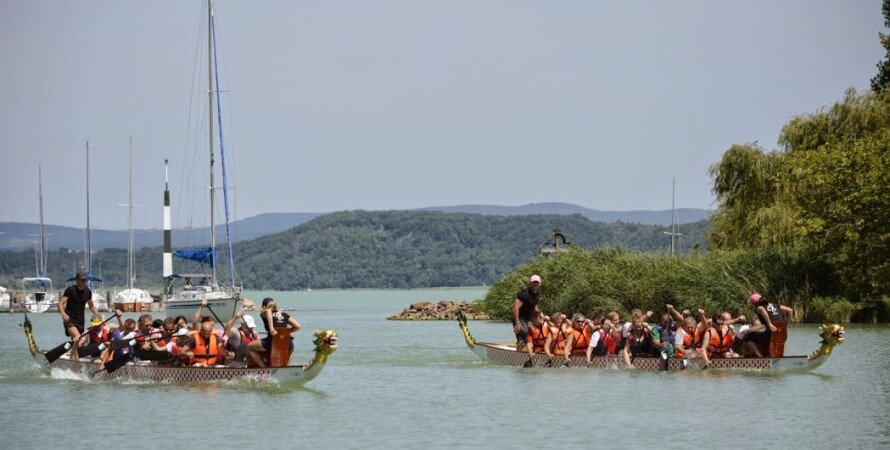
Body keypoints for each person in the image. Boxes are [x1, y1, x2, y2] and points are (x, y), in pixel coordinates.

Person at [246, 297, 301, 367]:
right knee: (291, 349)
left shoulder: (264, 312)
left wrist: (271, 329)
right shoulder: (283, 314)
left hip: (273, 342)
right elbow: (298, 326)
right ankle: (285, 367)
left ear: (263, 307)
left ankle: (264, 367)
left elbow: (268, 310)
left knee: (249, 347)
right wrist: (285, 332)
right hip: (288, 343)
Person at [59, 271, 99, 360]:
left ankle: (72, 354)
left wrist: (97, 315)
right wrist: (63, 314)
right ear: (77, 280)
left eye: (85, 280)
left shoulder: (88, 292)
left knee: (82, 340)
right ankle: (73, 359)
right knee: (78, 338)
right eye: (81, 280)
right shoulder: (70, 290)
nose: (83, 282)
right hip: (69, 320)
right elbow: (61, 303)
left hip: (80, 321)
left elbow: (91, 305)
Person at [512, 274, 542, 348]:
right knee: (523, 336)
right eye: (533, 282)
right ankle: (520, 349)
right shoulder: (524, 294)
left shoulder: (537, 294)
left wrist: (540, 317)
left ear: (540, 283)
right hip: (520, 318)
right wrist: (517, 323)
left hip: (529, 319)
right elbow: (515, 308)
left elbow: (535, 306)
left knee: (532, 335)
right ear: (530, 283)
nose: (535, 284)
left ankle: (528, 349)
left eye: (537, 282)